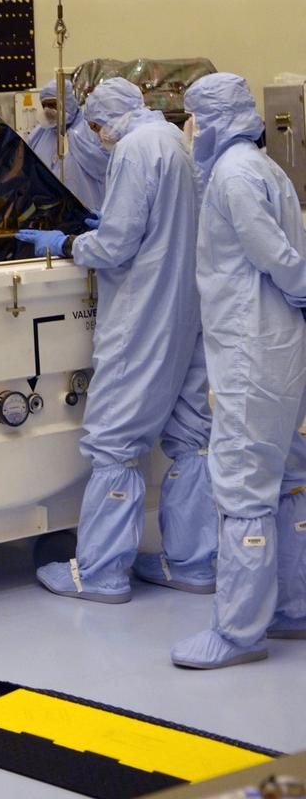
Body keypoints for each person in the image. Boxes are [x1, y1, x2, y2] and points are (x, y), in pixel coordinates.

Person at [16, 77, 217, 602]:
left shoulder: (133, 148)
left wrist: (68, 243)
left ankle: (102, 572)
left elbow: (117, 246)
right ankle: (193, 562)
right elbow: (164, 221)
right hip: (186, 313)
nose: (96, 135)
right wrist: (110, 224)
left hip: (143, 316)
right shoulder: (173, 140)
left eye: (96, 125)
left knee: (115, 442)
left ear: (107, 118)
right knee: (192, 438)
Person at [171, 73, 306, 670]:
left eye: (194, 118)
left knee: (244, 483)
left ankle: (239, 631)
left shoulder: (231, 175)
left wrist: (302, 289)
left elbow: (275, 255)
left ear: (213, 119)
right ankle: (292, 607)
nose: (190, 130)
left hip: (252, 351)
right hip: (277, 346)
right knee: (288, 478)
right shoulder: (264, 168)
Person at [26, 78, 109, 211]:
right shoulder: (39, 134)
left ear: (68, 102)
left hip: (88, 209)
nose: (47, 110)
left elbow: (105, 168)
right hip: (49, 210)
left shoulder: (92, 130)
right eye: (44, 105)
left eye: (52, 105)